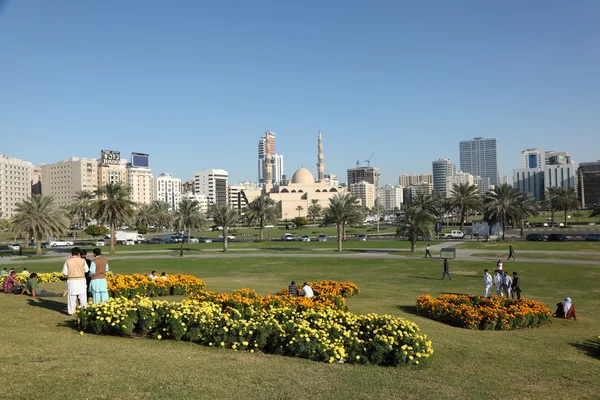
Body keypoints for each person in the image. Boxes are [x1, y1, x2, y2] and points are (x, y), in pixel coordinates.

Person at [62, 247, 89, 315]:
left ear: (71, 253)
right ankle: (84, 309)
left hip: (72, 280)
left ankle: (71, 311)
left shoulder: (68, 261)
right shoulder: (83, 260)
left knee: (71, 297)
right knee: (83, 296)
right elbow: (86, 270)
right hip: (81, 280)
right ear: (78, 253)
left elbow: (65, 272)